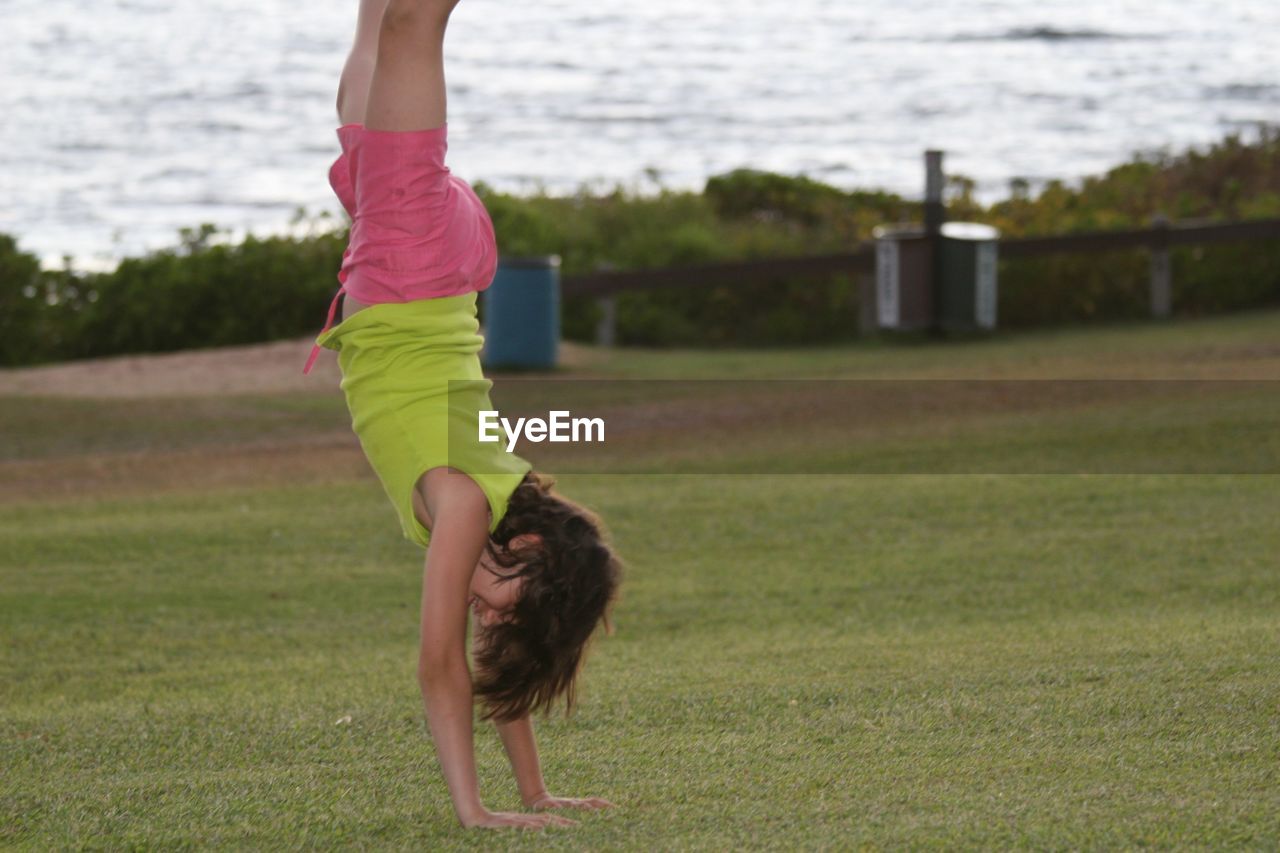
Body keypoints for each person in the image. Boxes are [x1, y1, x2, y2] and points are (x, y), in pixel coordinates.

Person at [304, 0, 623, 831]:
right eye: (505, 606)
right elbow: (437, 664)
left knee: (374, 46)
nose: (485, 619)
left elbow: (485, 662)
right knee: (416, 21)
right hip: (414, 267)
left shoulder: (485, 509)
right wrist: (472, 811)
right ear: (526, 548)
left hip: (418, 266)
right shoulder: (466, 505)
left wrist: (533, 791)